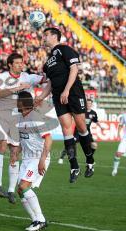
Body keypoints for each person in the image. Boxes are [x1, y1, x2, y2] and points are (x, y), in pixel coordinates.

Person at [35, 27, 95, 183]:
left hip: (73, 92)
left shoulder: (64, 49)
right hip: (58, 96)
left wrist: (67, 90)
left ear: (55, 36)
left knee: (82, 127)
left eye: (46, 35)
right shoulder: (48, 62)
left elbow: (74, 69)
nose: (44, 38)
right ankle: (74, 166)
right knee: (66, 129)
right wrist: (41, 97)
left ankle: (90, 161)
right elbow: (49, 83)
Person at [0, 53, 45, 203]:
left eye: (22, 63)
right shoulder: (2, 76)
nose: (20, 65)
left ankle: (10, 190)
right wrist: (18, 88)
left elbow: (44, 78)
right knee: (2, 145)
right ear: (10, 64)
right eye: (17, 63)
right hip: (1, 115)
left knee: (15, 152)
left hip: (17, 118)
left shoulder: (27, 77)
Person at [17, 91, 52, 231]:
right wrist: (15, 154)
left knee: (24, 186)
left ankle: (40, 219)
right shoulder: (20, 118)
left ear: (23, 103)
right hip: (26, 158)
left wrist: (42, 159)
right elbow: (23, 139)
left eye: (17, 100)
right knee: (20, 190)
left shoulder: (36, 117)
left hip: (38, 158)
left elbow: (48, 139)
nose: (15, 102)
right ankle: (35, 220)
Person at [58, 99, 104, 164]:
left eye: (90, 103)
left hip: (87, 132)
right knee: (71, 144)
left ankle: (88, 159)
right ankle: (61, 157)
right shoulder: (81, 111)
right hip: (78, 132)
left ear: (92, 105)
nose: (88, 105)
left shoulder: (93, 113)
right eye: (87, 103)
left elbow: (96, 120)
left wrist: (101, 127)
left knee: (94, 145)